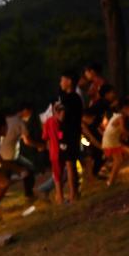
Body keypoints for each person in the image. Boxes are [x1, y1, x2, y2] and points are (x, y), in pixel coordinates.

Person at [0, 103, 43, 199]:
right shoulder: (19, 122)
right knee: (29, 169)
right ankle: (29, 194)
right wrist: (40, 146)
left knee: (3, 179)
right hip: (11, 155)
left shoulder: (2, 121)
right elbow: (27, 141)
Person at [58, 71, 83, 202]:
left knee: (69, 164)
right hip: (76, 132)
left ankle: (73, 195)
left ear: (69, 81)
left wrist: (56, 112)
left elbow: (61, 118)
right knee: (73, 162)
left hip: (67, 134)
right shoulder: (77, 97)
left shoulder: (66, 99)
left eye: (62, 80)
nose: (60, 83)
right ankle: (75, 193)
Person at [102, 100, 129, 186]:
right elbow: (122, 129)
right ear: (125, 108)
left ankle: (110, 171)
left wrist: (124, 135)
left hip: (112, 140)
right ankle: (110, 181)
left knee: (124, 156)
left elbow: (119, 130)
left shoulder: (118, 116)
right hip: (111, 141)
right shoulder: (120, 117)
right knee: (118, 160)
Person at [42, 103, 67, 203]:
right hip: (57, 152)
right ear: (56, 112)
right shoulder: (56, 123)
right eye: (61, 113)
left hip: (55, 152)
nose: (62, 116)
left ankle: (59, 195)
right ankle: (60, 197)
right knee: (58, 175)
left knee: (59, 174)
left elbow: (45, 137)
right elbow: (59, 136)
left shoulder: (48, 122)